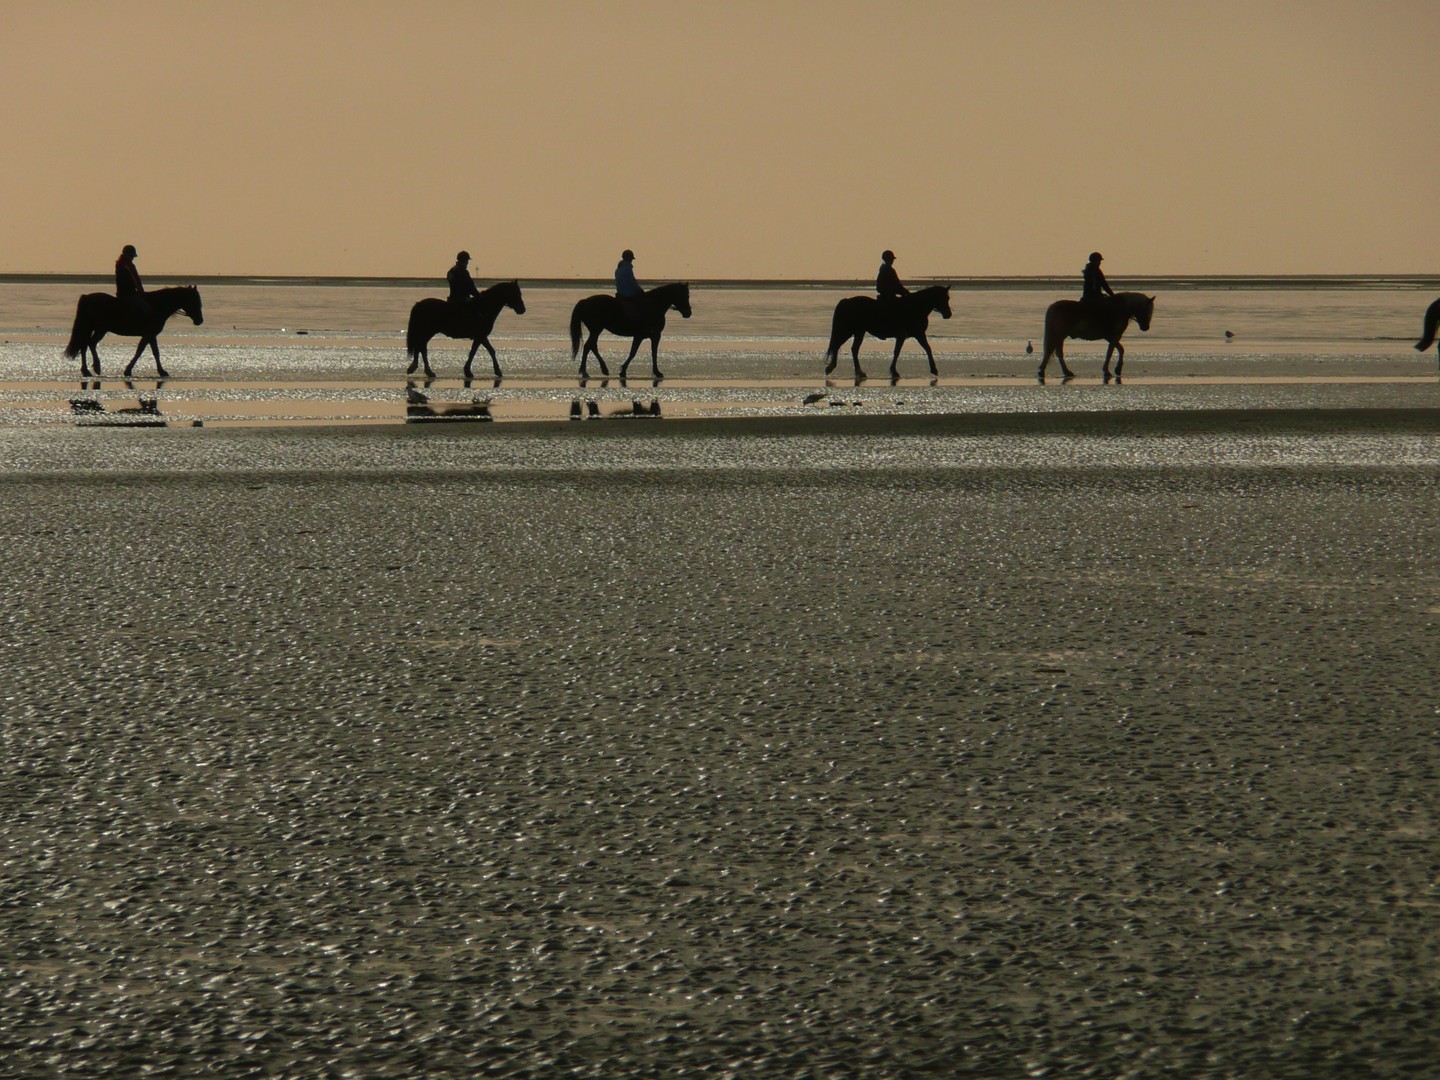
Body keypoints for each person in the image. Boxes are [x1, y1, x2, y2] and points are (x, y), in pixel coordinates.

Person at [115, 244, 150, 325]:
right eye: (132, 256)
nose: (133, 258)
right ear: (129, 255)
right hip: (128, 293)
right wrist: (141, 292)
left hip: (126, 292)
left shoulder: (122, 264)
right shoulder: (127, 265)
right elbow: (135, 280)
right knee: (145, 308)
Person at [615, 249, 645, 328]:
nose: (632, 261)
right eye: (631, 259)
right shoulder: (627, 268)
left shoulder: (618, 269)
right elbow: (632, 282)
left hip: (620, 292)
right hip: (628, 293)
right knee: (644, 304)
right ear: (629, 259)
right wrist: (640, 290)